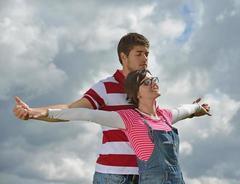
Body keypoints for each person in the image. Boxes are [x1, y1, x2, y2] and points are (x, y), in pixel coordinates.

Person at [25, 69, 211, 184]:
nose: (153, 82)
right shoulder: (129, 118)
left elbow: (185, 109)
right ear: (135, 93)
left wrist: (198, 108)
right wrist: (43, 112)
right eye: (146, 82)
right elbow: (85, 114)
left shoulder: (166, 116)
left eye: (154, 79)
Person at [13, 33, 151, 184]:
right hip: (113, 175)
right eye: (139, 54)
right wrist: (33, 113)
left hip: (148, 174)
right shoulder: (105, 87)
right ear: (123, 57)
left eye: (146, 54)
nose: (145, 59)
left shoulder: (149, 89)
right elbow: (71, 110)